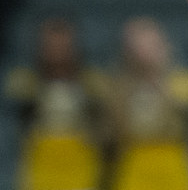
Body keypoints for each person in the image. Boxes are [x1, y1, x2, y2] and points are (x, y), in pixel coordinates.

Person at [2, 15, 109, 190]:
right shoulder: (25, 83)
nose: (57, 49)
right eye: (51, 44)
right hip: (39, 167)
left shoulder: (93, 83)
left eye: (62, 43)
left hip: (81, 166)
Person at [104, 16, 188, 190]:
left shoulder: (186, 82)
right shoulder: (118, 86)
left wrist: (159, 81)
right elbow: (113, 127)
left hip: (175, 165)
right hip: (132, 165)